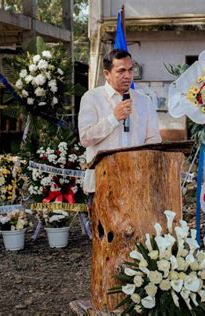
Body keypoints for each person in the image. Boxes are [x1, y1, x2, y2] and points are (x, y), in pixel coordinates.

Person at [78, 49, 162, 236]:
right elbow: (85, 137)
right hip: (102, 183)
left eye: (131, 70)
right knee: (105, 242)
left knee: (137, 240)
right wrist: (114, 118)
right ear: (107, 74)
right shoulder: (92, 98)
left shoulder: (144, 101)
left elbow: (154, 140)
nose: (128, 76)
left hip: (136, 183)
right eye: (121, 71)